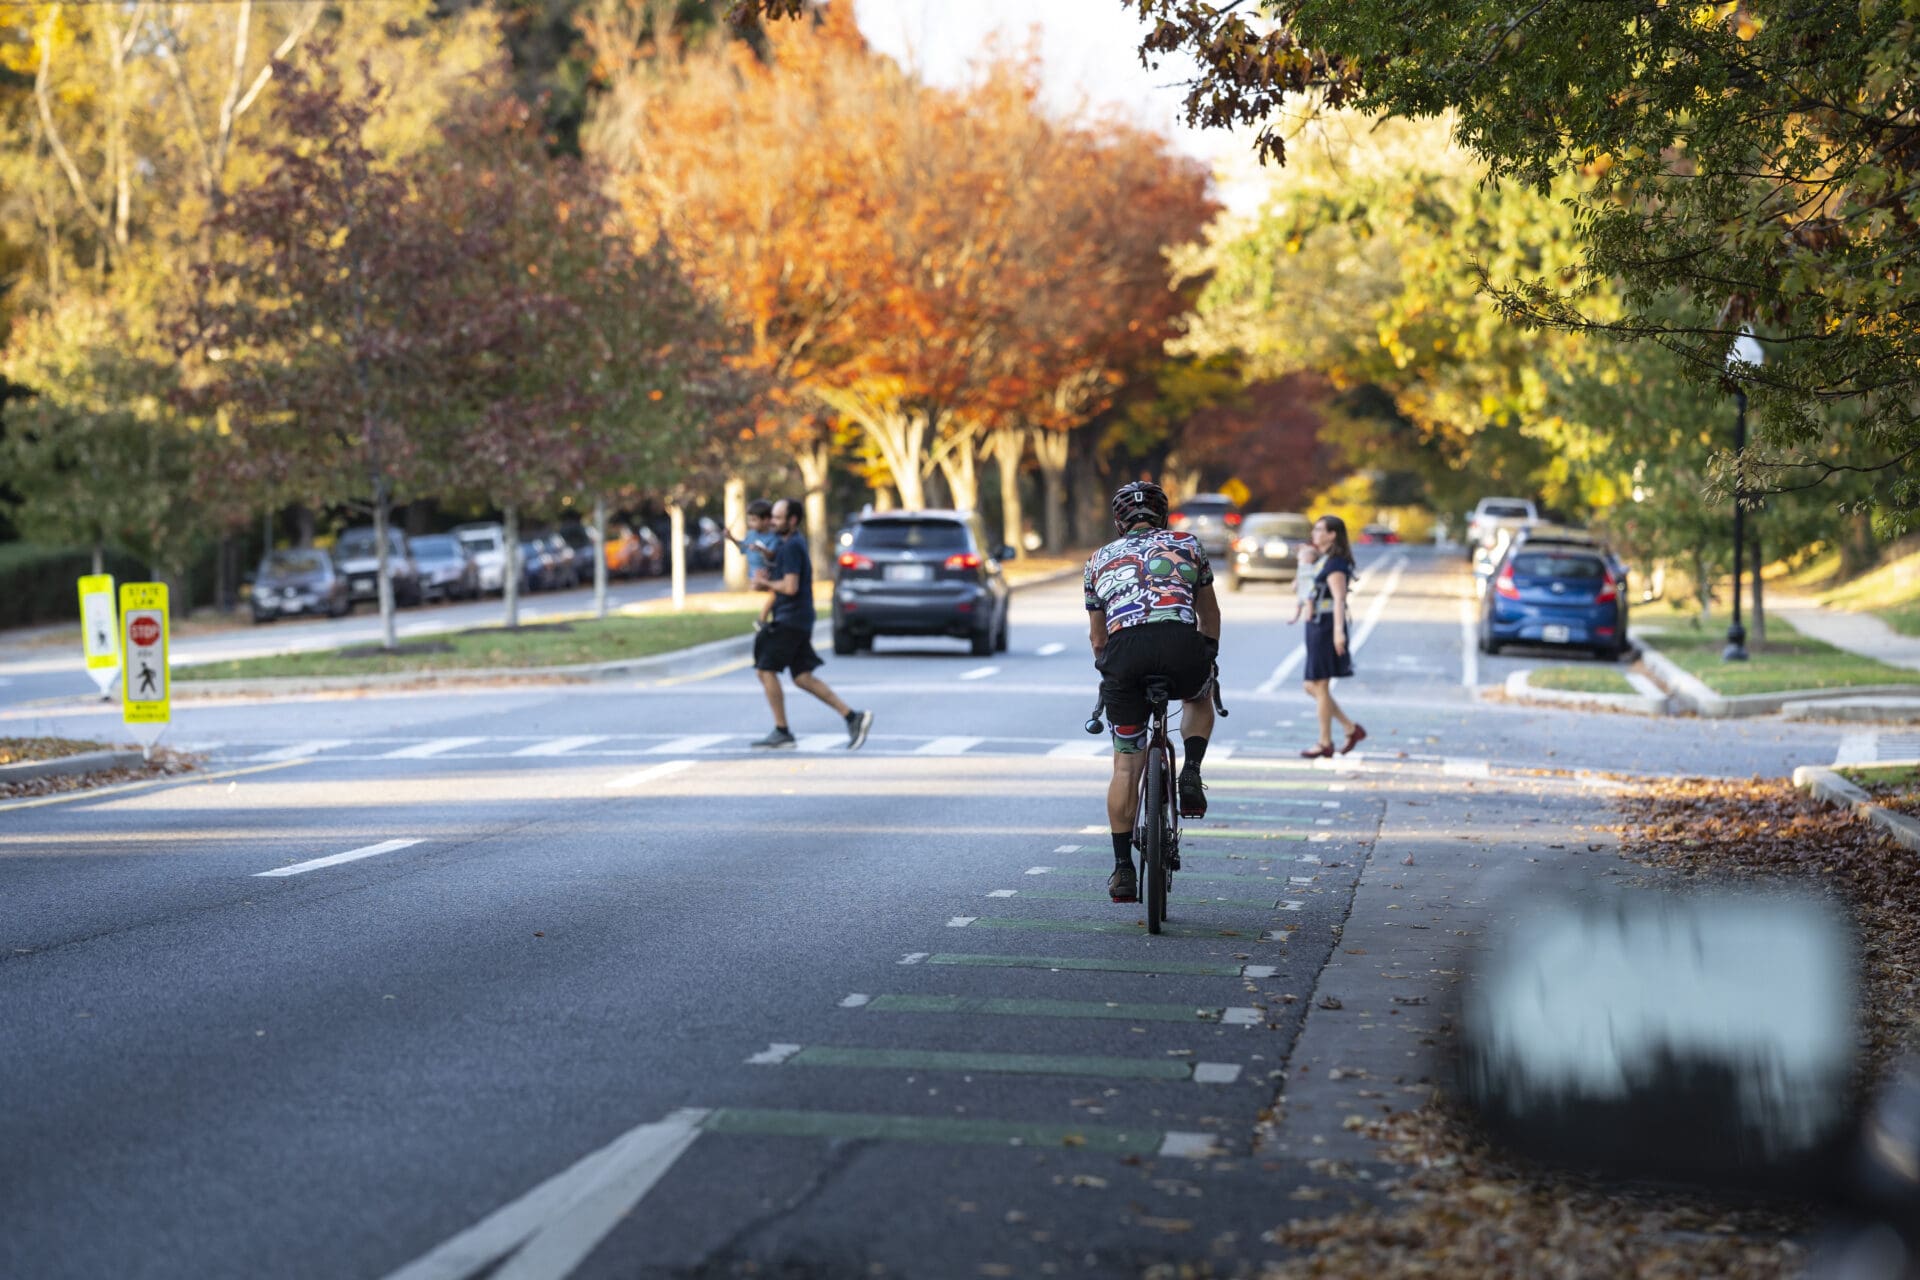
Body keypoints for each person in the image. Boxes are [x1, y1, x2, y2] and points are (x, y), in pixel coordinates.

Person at [1084, 480, 1221, 904]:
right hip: (1180, 648)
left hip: (1125, 656)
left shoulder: (1097, 560)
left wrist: (1112, 674)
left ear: (1118, 520)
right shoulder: (1189, 544)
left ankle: (1123, 869)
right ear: (1164, 516)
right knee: (1199, 694)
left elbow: (1097, 638)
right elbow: (1209, 613)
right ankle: (1192, 771)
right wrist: (1208, 656)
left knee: (1126, 766)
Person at [751, 497, 874, 751]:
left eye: (777, 517)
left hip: (790, 619)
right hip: (797, 618)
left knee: (765, 670)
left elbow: (790, 586)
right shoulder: (789, 544)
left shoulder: (792, 546)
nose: (772, 522)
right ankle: (853, 717)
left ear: (792, 520)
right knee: (802, 677)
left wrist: (766, 584)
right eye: (772, 517)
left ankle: (782, 731)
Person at [1300, 515, 1366, 759]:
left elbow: (1339, 599)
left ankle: (1325, 742)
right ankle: (1350, 728)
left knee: (1320, 684)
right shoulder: (1324, 559)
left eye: (1320, 530)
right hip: (1316, 626)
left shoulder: (1336, 564)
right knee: (1313, 686)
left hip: (1327, 627)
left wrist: (1339, 633)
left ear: (1332, 535)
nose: (1315, 534)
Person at [726, 499, 780, 629]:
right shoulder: (751, 534)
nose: (750, 523)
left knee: (778, 595)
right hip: (757, 573)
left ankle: (771, 619)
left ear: (766, 520)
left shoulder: (773, 536)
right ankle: (761, 619)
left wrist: (762, 549)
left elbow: (772, 554)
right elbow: (743, 547)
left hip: (768, 570)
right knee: (776, 593)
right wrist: (731, 538)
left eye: (754, 520)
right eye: (749, 520)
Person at [1287, 541, 1321, 626]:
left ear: (1311, 558)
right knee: (1298, 604)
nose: (1301, 560)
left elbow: (1315, 576)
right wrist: (1295, 582)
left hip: (1309, 589)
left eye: (1303, 557)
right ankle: (1295, 617)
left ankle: (1309, 618)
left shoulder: (1312, 567)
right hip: (1302, 589)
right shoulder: (1301, 567)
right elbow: (1298, 576)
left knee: (1309, 603)